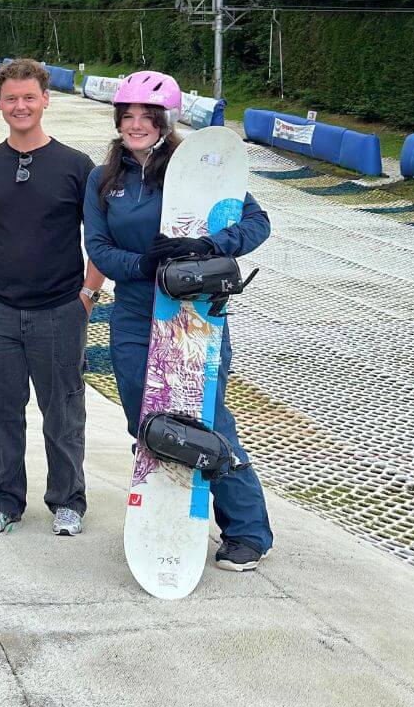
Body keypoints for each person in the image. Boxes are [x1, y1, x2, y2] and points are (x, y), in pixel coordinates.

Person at [81, 69, 274, 572]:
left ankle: (247, 529)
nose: (137, 123)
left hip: (195, 314)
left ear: (167, 121)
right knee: (145, 421)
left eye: (148, 115)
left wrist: (207, 247)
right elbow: (98, 247)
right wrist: (141, 265)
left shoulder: (199, 169)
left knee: (207, 419)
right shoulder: (104, 180)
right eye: (128, 115)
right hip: (133, 312)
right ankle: (171, 514)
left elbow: (256, 224)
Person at [0, 58, 104, 538]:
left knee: (62, 411)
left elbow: (100, 234)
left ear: (46, 100)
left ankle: (67, 500)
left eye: (28, 97)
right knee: (0, 411)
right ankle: (3, 501)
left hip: (60, 310)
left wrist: (87, 292)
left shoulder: (76, 166)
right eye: (10, 98)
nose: (19, 106)